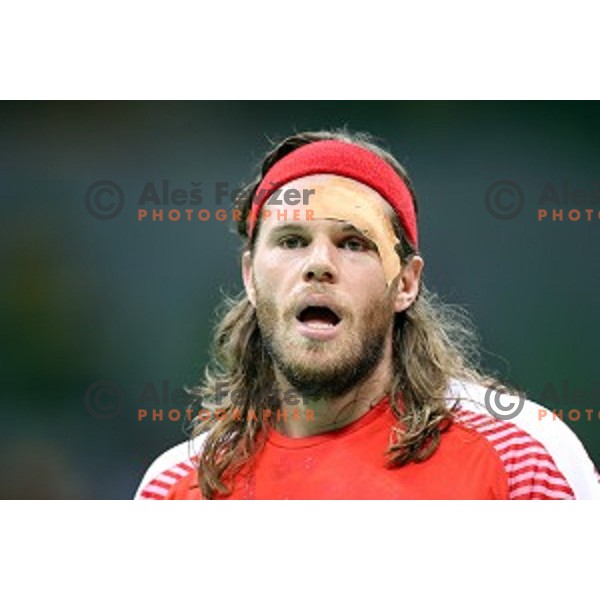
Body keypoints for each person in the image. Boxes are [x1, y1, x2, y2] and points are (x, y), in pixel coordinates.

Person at [135, 130, 600, 500]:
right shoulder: (174, 489)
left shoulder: (522, 459)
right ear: (250, 277)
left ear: (406, 283)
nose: (318, 265)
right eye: (291, 241)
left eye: (354, 243)